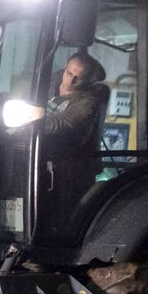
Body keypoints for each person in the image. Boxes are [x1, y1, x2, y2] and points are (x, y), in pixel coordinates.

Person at [44, 53, 110, 222]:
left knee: (61, 218)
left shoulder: (88, 102)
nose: (71, 80)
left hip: (67, 168)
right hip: (37, 157)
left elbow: (58, 124)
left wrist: (28, 120)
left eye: (78, 78)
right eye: (69, 73)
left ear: (87, 80)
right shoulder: (48, 82)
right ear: (65, 67)